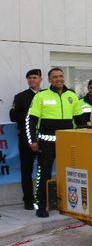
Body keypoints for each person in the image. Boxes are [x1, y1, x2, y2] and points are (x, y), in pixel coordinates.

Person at [27, 68, 83, 218]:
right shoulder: (41, 96)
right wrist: (32, 140)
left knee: (71, 174)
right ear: (49, 79)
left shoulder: (72, 95)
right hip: (46, 142)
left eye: (61, 76)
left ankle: (70, 203)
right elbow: (30, 120)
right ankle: (41, 205)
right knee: (43, 173)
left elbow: (79, 120)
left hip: (67, 142)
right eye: (55, 77)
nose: (59, 79)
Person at [9, 69, 42, 210]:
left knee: (44, 171)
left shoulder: (47, 95)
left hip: (44, 138)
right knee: (26, 171)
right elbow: (13, 116)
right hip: (26, 139)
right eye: (29, 78)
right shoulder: (20, 97)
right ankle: (28, 201)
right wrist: (32, 114)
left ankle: (42, 199)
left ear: (40, 79)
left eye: (34, 77)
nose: (31, 80)